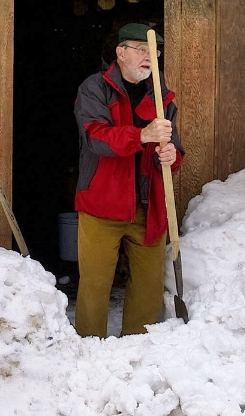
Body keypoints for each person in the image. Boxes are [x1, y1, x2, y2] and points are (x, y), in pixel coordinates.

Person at [72, 22, 183, 338]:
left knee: (148, 287)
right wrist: (143, 134)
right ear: (120, 53)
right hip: (102, 204)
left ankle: (139, 348)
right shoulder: (95, 89)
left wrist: (172, 155)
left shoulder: (162, 96)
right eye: (142, 49)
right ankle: (90, 346)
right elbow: (96, 138)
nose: (151, 56)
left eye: (156, 51)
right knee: (95, 284)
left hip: (148, 206)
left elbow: (176, 146)